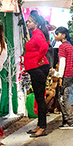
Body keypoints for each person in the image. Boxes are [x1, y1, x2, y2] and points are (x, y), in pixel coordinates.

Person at [24, 10, 50, 138]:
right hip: (35, 68)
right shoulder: (35, 34)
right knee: (38, 98)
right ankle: (39, 125)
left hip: (38, 68)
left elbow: (44, 47)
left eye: (29, 21)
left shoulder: (38, 34)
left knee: (40, 98)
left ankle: (42, 126)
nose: (27, 23)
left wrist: (39, 59)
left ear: (35, 23)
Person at [53, 26, 73, 130]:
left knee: (63, 98)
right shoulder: (70, 46)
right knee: (66, 96)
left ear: (63, 35)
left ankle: (69, 122)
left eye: (57, 34)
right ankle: (67, 121)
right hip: (72, 74)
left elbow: (62, 62)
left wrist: (60, 76)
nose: (56, 36)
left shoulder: (62, 47)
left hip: (66, 75)